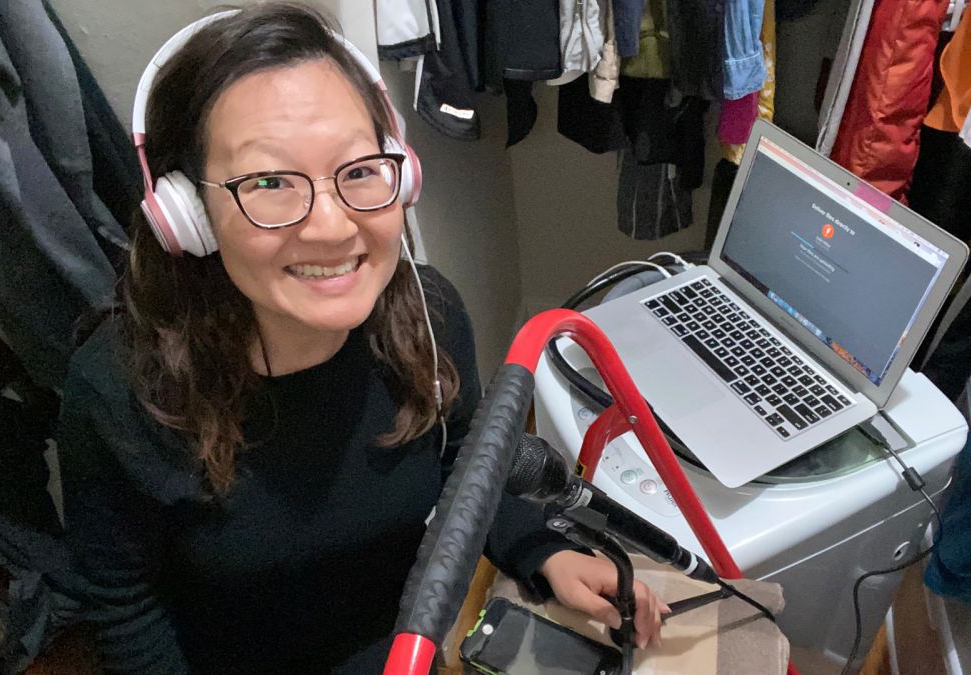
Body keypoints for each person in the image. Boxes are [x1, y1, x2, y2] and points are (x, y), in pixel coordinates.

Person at [57, 4, 666, 672]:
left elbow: (463, 465)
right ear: (189, 214)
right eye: (269, 182)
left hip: (413, 648)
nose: (331, 227)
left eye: (358, 170)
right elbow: (122, 603)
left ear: (400, 172)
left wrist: (537, 547)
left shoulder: (430, 319)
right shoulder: (116, 391)